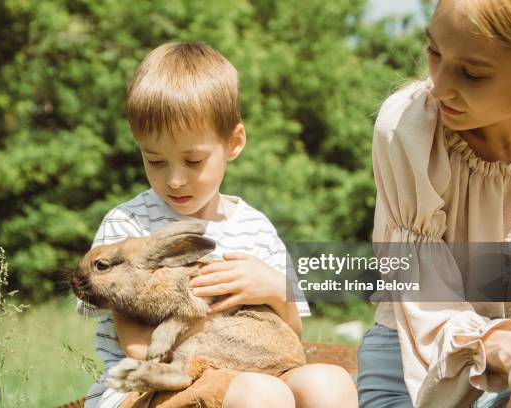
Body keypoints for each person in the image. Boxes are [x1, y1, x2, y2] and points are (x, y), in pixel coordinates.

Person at [77, 42, 358, 408]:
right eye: (156, 161)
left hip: (257, 367)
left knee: (329, 382)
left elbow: (290, 334)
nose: (175, 180)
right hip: (151, 385)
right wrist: (214, 326)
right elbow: (139, 347)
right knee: (260, 393)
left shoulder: (255, 226)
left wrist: (274, 287)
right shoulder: (129, 226)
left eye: (193, 161)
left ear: (233, 143)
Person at [357, 0, 511, 407]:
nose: (437, 85)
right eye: (434, 53)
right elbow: (425, 301)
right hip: (415, 368)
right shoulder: (408, 129)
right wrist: (507, 348)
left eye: (471, 73)